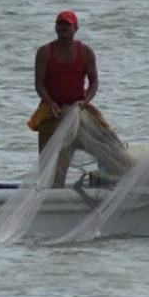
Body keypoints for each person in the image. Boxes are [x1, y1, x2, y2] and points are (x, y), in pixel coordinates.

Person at [27, 10, 122, 186]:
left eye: (67, 24)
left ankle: (121, 182)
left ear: (75, 28)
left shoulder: (85, 52)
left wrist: (84, 102)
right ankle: (50, 195)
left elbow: (94, 83)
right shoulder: (45, 52)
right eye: (60, 24)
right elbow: (39, 84)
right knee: (50, 165)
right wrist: (50, 102)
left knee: (111, 144)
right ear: (55, 27)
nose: (63, 27)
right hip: (52, 112)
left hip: (79, 111)